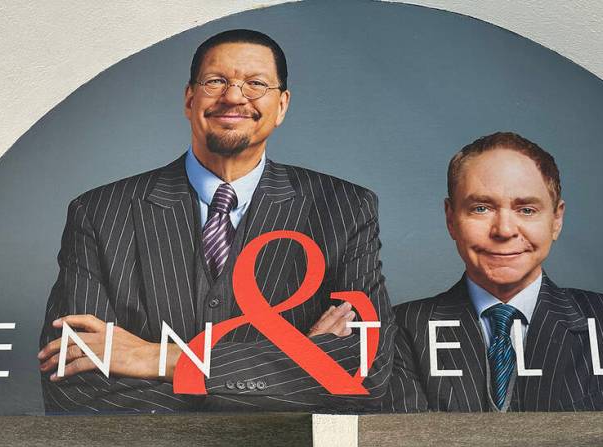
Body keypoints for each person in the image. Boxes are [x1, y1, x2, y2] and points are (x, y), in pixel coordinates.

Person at [37, 29, 394, 412]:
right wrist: (301, 363)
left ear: (282, 105)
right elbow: (74, 387)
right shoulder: (100, 213)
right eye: (216, 81)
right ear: (190, 98)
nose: (235, 96)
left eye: (255, 83)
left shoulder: (345, 208)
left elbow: (364, 371)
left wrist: (157, 359)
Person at [388, 132, 603, 412]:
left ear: (556, 220)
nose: (504, 230)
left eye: (526, 210)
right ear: (451, 219)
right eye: (481, 208)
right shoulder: (398, 329)